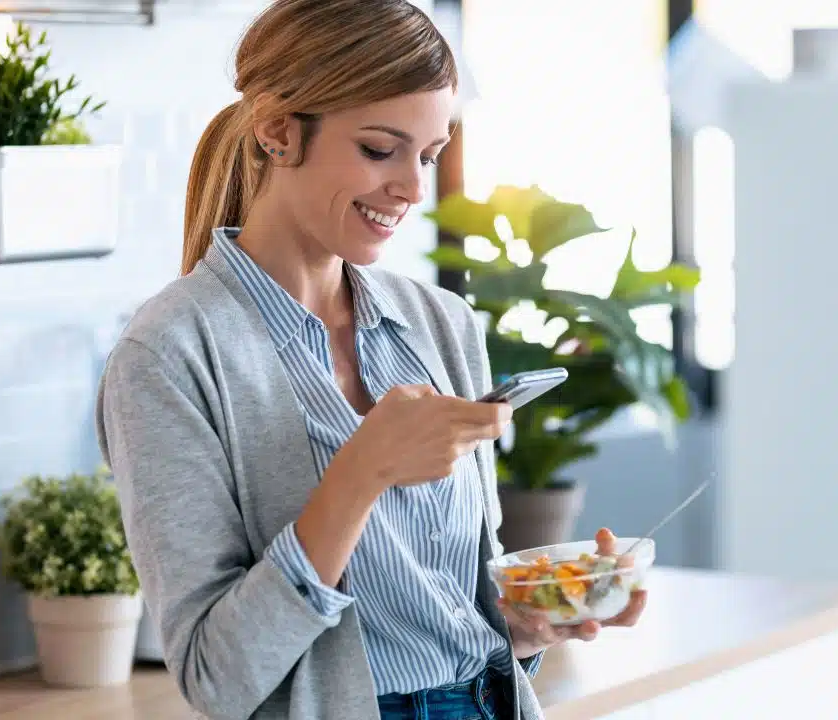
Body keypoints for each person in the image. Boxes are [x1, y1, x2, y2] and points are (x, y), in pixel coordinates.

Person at [94, 1, 646, 718]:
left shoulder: (438, 324)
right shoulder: (167, 356)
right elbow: (217, 679)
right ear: (277, 131)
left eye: (428, 155)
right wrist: (361, 472)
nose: (413, 189)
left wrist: (535, 617)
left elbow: (442, 610)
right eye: (380, 149)